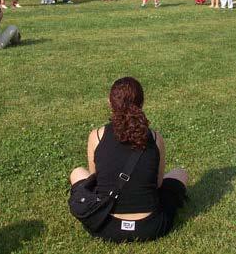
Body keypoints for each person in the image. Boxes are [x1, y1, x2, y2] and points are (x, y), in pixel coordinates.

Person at [69, 77, 188, 243]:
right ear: (142, 103)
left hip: (105, 225)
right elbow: (158, 183)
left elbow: (94, 180)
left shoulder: (96, 136)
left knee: (77, 172)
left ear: (110, 103)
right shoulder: (155, 137)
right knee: (180, 173)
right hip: (151, 226)